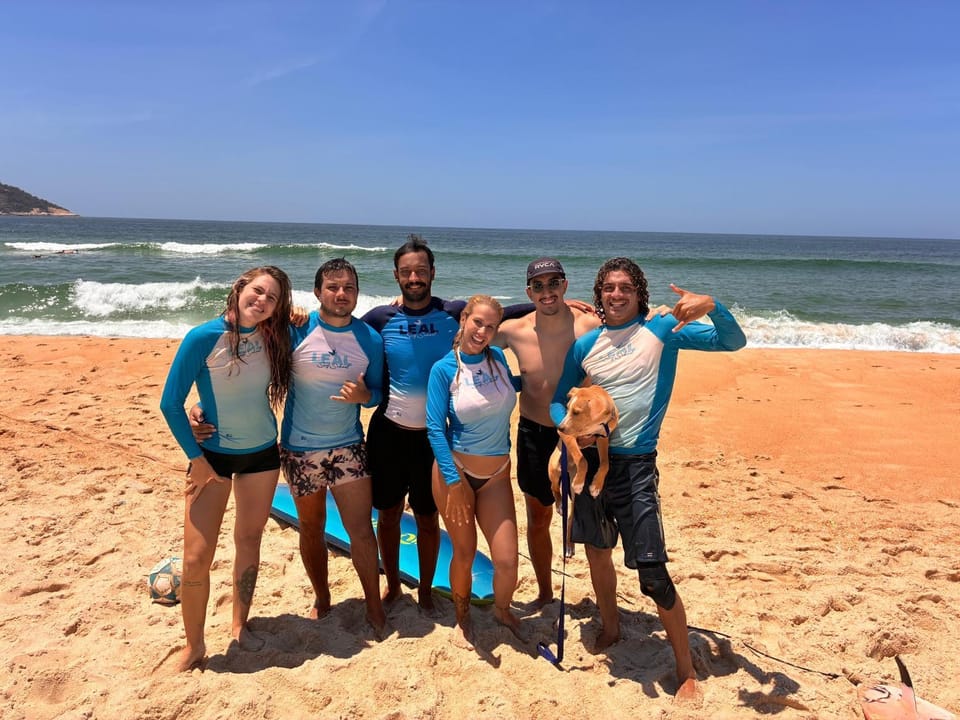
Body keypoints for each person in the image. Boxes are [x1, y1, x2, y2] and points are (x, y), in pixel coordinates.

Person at [550, 257, 746, 701]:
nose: (616, 294)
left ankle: (686, 669)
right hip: (590, 463)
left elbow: (732, 342)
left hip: (636, 467)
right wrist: (573, 436)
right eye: (608, 288)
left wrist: (711, 305)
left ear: (640, 295)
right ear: (599, 295)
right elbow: (561, 400)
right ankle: (613, 629)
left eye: (625, 288)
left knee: (653, 574)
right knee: (598, 553)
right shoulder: (587, 346)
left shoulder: (662, 332)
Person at [361, 235, 559, 614]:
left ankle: (423, 591)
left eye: (421, 270)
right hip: (388, 431)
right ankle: (392, 586)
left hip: (433, 441)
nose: (414, 277)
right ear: (396, 275)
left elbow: (501, 312)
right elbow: (344, 328)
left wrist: (546, 303)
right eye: (407, 271)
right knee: (387, 514)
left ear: (433, 272)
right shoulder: (380, 317)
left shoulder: (452, 312)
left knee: (427, 518)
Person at [190, 259, 388, 635]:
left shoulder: (370, 339)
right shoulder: (293, 330)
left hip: (348, 446)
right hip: (298, 448)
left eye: (348, 287)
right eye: (332, 286)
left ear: (357, 293)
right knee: (311, 527)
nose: (341, 293)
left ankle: (374, 607)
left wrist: (365, 396)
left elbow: (376, 392)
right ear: (318, 293)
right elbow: (239, 364)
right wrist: (202, 406)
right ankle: (323, 598)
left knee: (361, 530)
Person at [159, 265, 293, 672]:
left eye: (271, 298)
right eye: (257, 291)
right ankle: (194, 646)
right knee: (197, 556)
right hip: (212, 459)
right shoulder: (202, 337)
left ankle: (239, 625)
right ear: (238, 288)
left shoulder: (274, 334)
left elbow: (316, 319)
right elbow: (171, 403)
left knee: (249, 540)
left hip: (263, 456)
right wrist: (196, 461)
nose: (262, 301)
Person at [494, 258, 601, 607]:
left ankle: (603, 598)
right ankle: (544, 592)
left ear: (566, 285)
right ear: (528, 292)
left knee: (591, 521)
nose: (547, 290)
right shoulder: (514, 330)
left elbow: (632, 333)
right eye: (538, 286)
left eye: (554, 283)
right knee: (538, 518)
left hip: (582, 435)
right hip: (534, 434)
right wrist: (532, 305)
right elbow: (470, 324)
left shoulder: (591, 325)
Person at [426, 295, 525, 648]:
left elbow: (514, 389)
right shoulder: (444, 369)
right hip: (458, 472)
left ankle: (501, 611)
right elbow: (435, 428)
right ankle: (462, 618)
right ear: (464, 320)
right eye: (477, 322)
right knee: (465, 553)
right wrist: (453, 483)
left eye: (491, 327)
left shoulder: (498, 360)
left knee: (507, 560)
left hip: (497, 473)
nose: (482, 331)